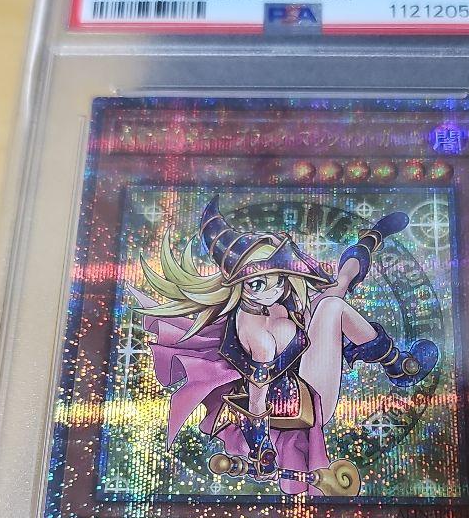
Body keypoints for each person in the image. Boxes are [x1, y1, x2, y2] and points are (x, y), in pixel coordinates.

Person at [131, 196, 438, 496]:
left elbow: (296, 308)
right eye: (257, 284)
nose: (272, 290)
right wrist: (261, 448)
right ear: (239, 284)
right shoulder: (259, 337)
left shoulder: (277, 298)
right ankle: (397, 365)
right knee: (332, 306)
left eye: (277, 279)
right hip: (306, 400)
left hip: (304, 365)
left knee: (338, 286)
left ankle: (370, 239)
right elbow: (257, 400)